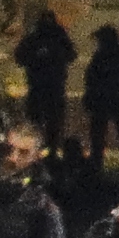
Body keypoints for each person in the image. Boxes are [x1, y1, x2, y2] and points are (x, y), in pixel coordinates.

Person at [78, 18, 119, 156]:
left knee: (108, 133)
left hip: (107, 99)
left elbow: (91, 78)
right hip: (113, 98)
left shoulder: (104, 57)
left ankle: (100, 162)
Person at [7, 9, 73, 140]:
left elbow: (71, 55)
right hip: (43, 85)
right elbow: (20, 56)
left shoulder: (54, 37)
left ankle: (49, 147)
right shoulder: (40, 38)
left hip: (49, 85)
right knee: (43, 120)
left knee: (48, 120)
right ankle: (44, 146)